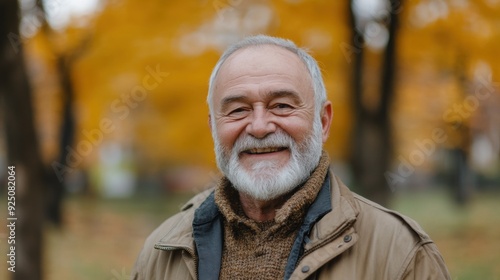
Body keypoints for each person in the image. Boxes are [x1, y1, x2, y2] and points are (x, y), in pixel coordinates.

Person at [131, 35, 451, 280]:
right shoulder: (164, 250)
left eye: (282, 105)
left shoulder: (400, 253)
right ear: (214, 127)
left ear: (323, 122)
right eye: (238, 109)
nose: (258, 127)